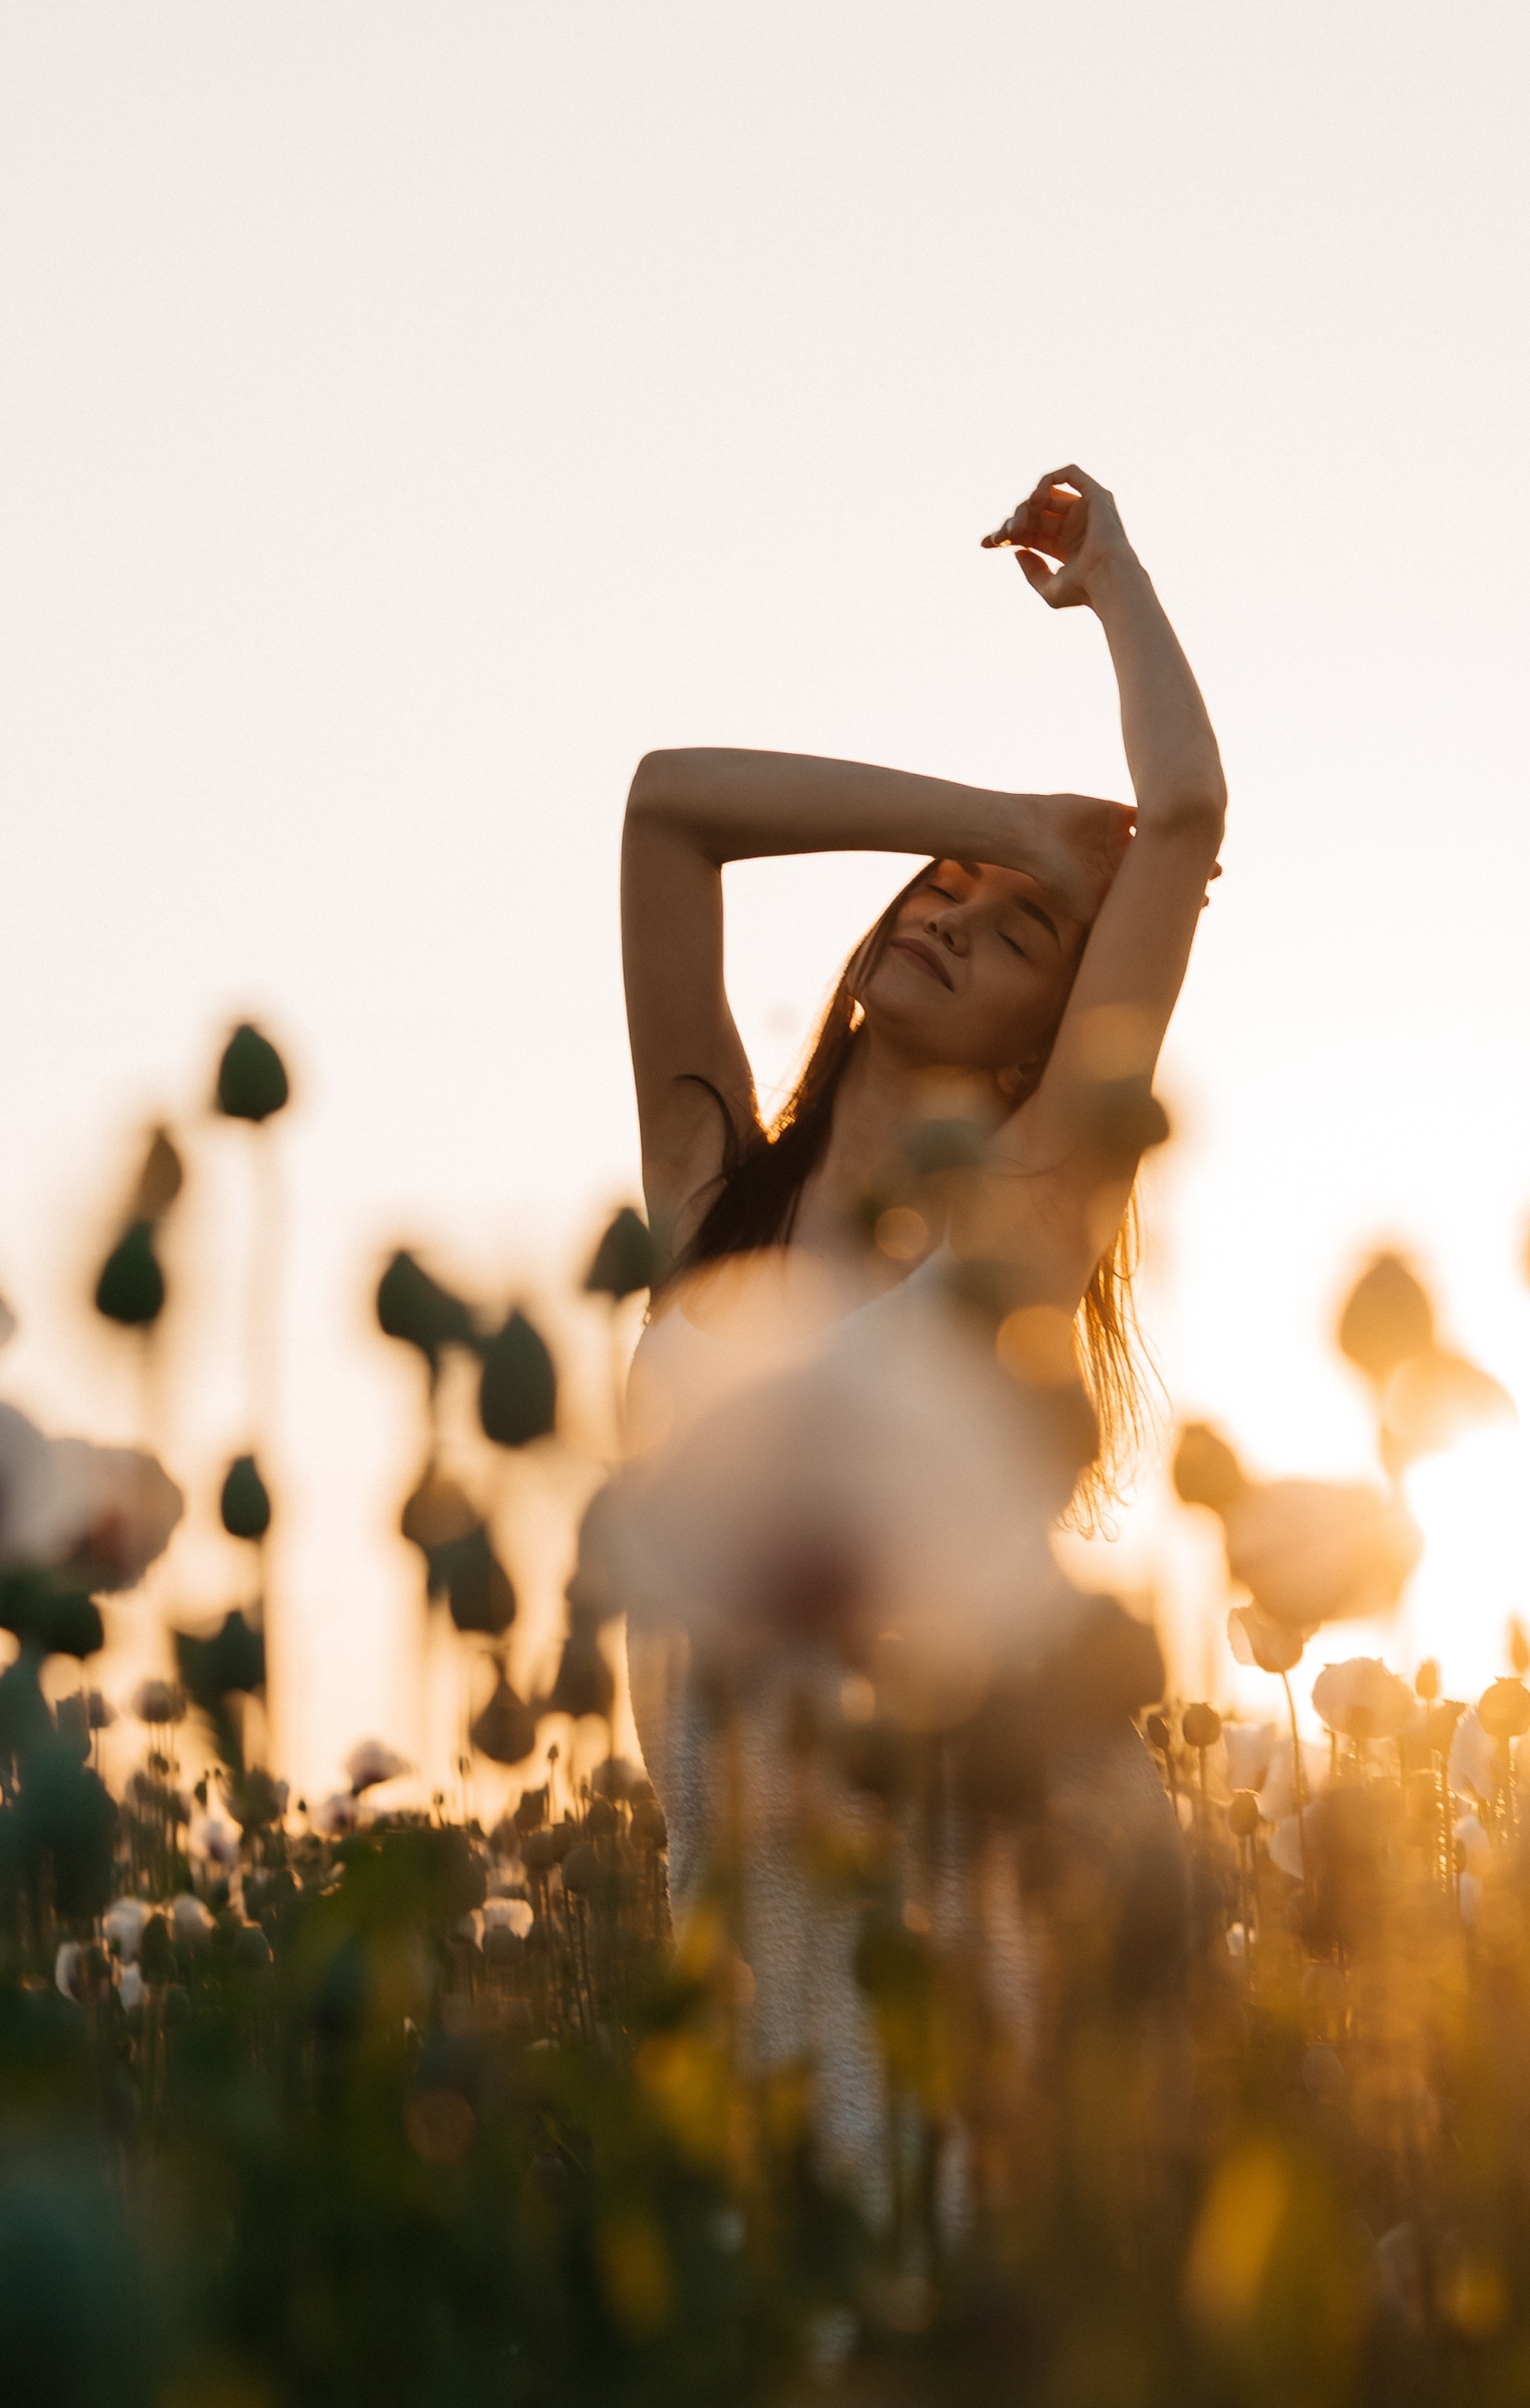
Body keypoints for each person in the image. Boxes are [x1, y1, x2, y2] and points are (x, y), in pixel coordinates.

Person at [615, 464, 1225, 2212]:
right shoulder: (706, 1192)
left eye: (1016, 922)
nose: (949, 910)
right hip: (733, 1994)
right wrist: (1000, 823)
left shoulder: (1019, 1221)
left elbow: (1180, 818)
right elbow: (667, 809)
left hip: (958, 1980)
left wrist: (1109, 584)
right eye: (934, 890)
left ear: (1054, 1039)